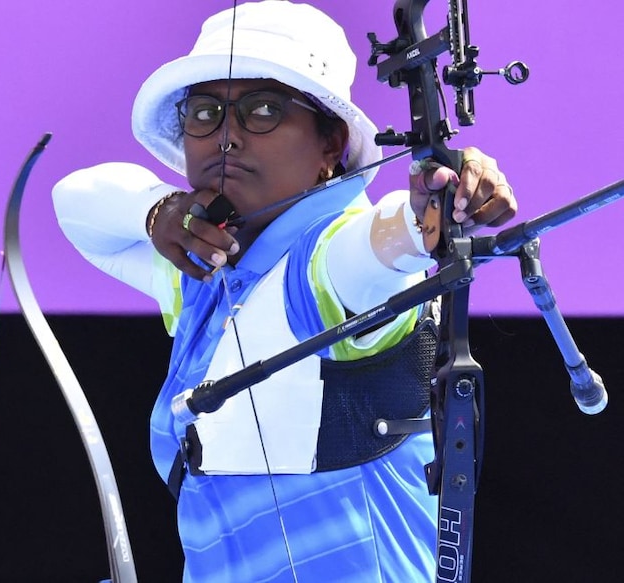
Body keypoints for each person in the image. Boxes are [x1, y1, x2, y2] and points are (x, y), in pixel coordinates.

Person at [52, 2, 516, 581]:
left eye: (263, 111)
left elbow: (382, 247)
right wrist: (157, 210)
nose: (227, 138)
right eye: (204, 113)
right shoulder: (200, 270)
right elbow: (73, 201)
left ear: (331, 145)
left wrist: (432, 207)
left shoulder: (325, 265)